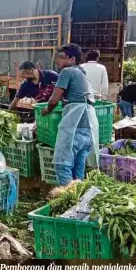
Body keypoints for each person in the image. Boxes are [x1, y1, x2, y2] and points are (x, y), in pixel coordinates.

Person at [42, 44, 99, 186]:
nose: (57, 62)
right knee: (78, 167)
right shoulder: (81, 72)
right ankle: (79, 198)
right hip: (88, 127)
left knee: (62, 164)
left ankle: (68, 197)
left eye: (61, 58)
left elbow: (54, 100)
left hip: (75, 126)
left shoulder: (67, 71)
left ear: (72, 59)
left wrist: (46, 110)